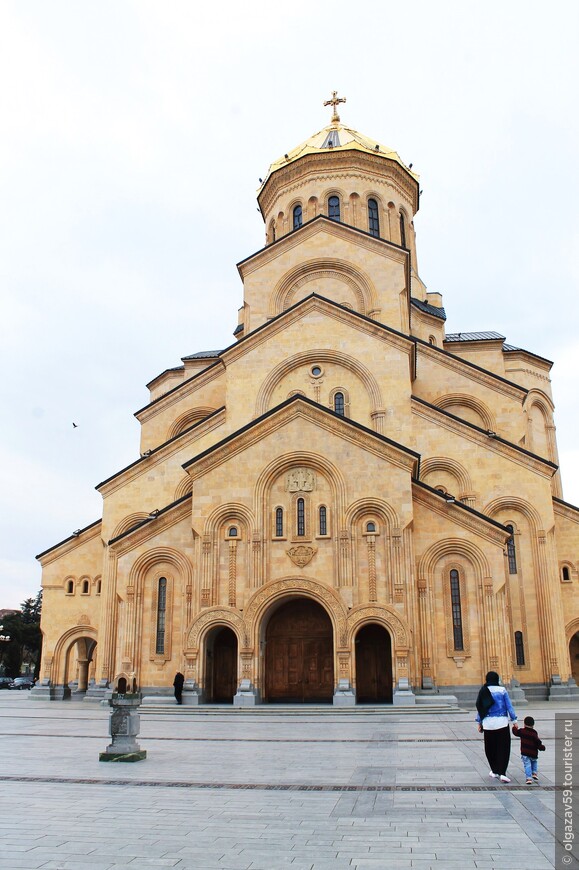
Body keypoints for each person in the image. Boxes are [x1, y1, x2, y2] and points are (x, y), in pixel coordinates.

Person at [475, 671, 517, 783]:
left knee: (490, 748)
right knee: (503, 748)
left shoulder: (483, 690)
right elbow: (509, 706)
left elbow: (480, 707)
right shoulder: (502, 690)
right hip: (502, 723)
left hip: (488, 724)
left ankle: (494, 770)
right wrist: (514, 720)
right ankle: (502, 772)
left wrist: (479, 722)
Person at [512, 716, 546, 784]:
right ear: (533, 725)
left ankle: (529, 778)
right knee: (534, 762)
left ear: (524, 724)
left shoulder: (522, 731)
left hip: (525, 752)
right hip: (533, 753)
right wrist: (542, 747)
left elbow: (515, 732)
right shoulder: (534, 733)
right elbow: (538, 742)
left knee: (527, 765)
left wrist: (514, 727)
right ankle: (534, 773)